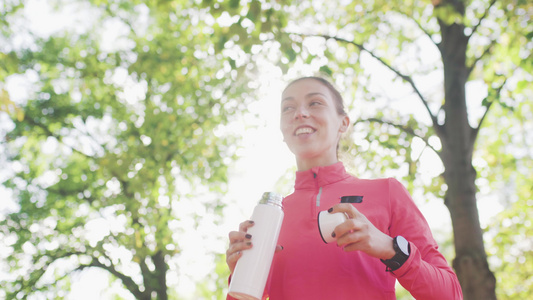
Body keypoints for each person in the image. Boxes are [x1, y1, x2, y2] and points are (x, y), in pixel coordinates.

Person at [225, 76, 463, 299]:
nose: (300, 113)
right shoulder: (269, 218)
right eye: (288, 108)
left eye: (315, 103)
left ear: (343, 123)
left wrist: (391, 248)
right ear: (282, 131)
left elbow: (451, 293)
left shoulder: (387, 192)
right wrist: (239, 275)